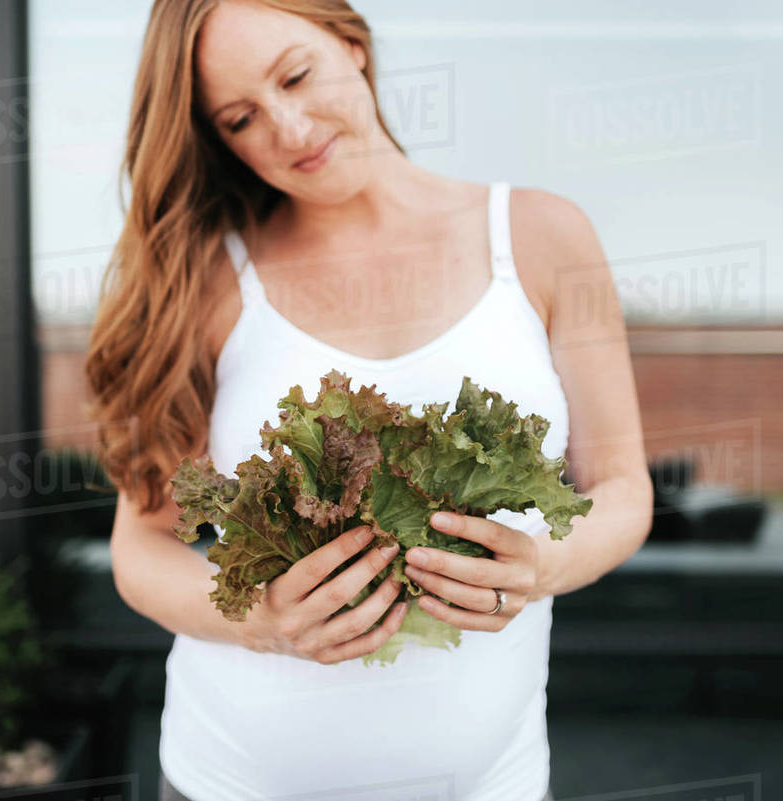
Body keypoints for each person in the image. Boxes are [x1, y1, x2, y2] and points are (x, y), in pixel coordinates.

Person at [85, 1, 653, 799]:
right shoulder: (205, 281)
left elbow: (623, 488)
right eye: (242, 119)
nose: (289, 129)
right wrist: (263, 620)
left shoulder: (541, 237)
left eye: (296, 76)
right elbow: (141, 547)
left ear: (351, 45)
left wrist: (543, 565)